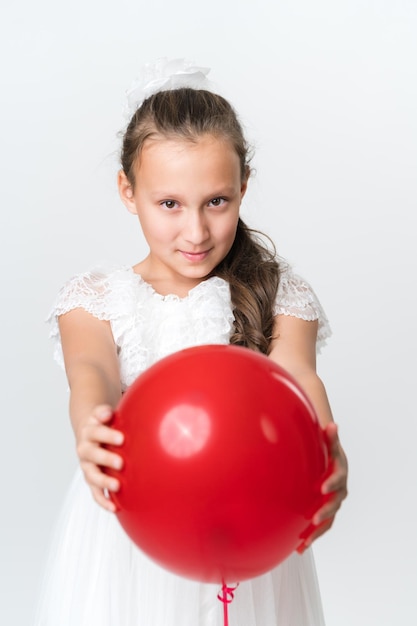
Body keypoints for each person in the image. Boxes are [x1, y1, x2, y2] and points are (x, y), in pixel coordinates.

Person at [36, 60, 348, 626]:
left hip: (250, 524)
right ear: (128, 192)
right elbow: (92, 376)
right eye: (170, 204)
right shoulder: (95, 300)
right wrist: (92, 428)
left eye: (217, 202)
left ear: (243, 189)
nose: (196, 232)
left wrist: (326, 451)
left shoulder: (280, 293)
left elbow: (299, 377)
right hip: (131, 532)